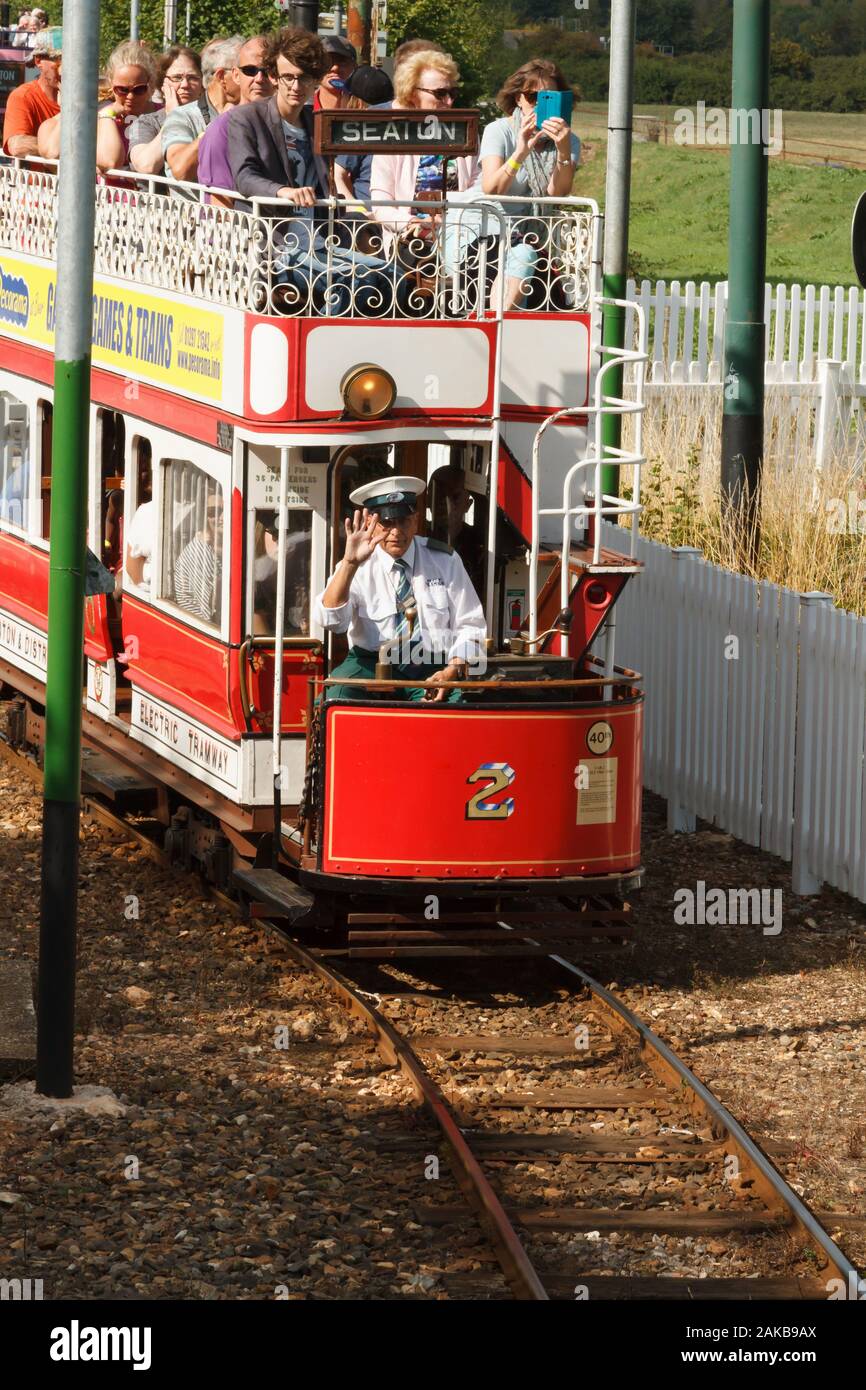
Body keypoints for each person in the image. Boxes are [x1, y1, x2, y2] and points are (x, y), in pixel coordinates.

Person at [227, 26, 389, 316]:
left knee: (390, 275)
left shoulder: (317, 123)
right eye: (287, 77)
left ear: (315, 81)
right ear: (274, 77)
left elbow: (331, 183)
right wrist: (283, 192)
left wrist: (355, 212)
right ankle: (332, 344)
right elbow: (244, 177)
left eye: (303, 78)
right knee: (353, 279)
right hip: (273, 246)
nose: (294, 86)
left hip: (320, 241)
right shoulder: (246, 119)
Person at [314, 475, 486, 703]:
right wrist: (349, 564)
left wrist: (450, 673)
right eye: (387, 523)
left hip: (432, 666)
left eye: (404, 521)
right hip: (370, 665)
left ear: (416, 520)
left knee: (463, 705)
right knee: (332, 701)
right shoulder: (355, 565)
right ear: (370, 525)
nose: (396, 532)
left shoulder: (445, 560)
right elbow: (332, 622)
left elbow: (471, 627)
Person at [479, 59, 581, 309]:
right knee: (523, 255)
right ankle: (499, 327)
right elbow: (492, 188)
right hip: (494, 234)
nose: (537, 104)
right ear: (517, 99)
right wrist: (521, 152)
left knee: (526, 256)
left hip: (540, 239)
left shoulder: (568, 140)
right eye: (531, 96)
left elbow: (557, 193)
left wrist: (563, 152)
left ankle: (501, 328)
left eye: (548, 98)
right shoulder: (499, 131)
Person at [369, 49, 477, 255]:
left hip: (461, 233)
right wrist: (414, 223)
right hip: (411, 239)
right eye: (440, 93)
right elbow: (381, 205)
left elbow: (477, 189)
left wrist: (451, 219)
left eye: (452, 93)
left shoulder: (465, 132)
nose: (449, 101)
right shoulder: (394, 136)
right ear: (412, 93)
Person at [161, 34, 242, 191]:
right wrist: (219, 125)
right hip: (193, 214)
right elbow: (180, 170)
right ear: (221, 76)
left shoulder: (253, 113)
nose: (258, 78)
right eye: (246, 71)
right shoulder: (182, 116)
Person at [198, 34, 273, 201]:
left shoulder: (290, 123)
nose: (259, 78)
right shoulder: (222, 128)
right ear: (236, 75)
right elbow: (220, 206)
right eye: (250, 70)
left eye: (268, 70)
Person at [128, 46, 203, 177]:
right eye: (177, 77)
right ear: (163, 83)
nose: (185, 84)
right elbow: (147, 166)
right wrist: (173, 116)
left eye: (192, 78)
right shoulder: (145, 122)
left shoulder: (211, 117)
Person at [333, 64, 394, 206]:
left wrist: (357, 211)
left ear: (357, 103)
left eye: (345, 95)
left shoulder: (357, 130)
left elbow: (337, 175)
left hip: (368, 221)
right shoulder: (405, 128)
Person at [2, 28, 60, 156]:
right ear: (38, 61)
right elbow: (17, 145)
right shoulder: (23, 96)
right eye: (58, 59)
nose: (65, 67)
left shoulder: (89, 98)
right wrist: (72, 153)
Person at [175, 494, 223, 624]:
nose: (222, 517)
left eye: (228, 510)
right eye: (214, 512)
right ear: (205, 516)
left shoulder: (216, 547)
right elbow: (207, 613)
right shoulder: (202, 553)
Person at [313, 34, 355, 112]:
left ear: (354, 67)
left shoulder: (366, 108)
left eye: (342, 62)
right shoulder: (303, 108)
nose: (335, 68)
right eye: (327, 62)